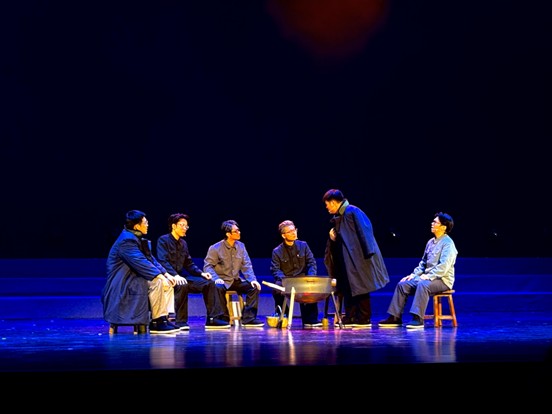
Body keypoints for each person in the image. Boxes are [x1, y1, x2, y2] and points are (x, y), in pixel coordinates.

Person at [102, 210, 180, 334]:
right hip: (123, 282)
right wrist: (160, 276)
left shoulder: (135, 238)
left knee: (168, 282)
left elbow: (150, 259)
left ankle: (164, 318)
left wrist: (166, 274)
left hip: (133, 278)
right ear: (137, 226)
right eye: (145, 222)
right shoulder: (126, 241)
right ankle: (157, 321)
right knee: (158, 282)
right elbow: (140, 262)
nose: (148, 225)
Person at [378, 212, 458, 329]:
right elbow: (423, 264)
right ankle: (395, 317)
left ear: (443, 227)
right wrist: (413, 275)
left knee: (423, 284)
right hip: (427, 278)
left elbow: (443, 266)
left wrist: (428, 276)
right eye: (433, 221)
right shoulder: (430, 242)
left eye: (435, 222)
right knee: (403, 284)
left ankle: (417, 318)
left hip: (442, 280)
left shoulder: (448, 244)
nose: (432, 224)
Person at [323, 189, 389, 327]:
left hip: (359, 258)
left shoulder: (352, 211)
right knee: (348, 287)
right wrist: (333, 239)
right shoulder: (340, 216)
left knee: (361, 286)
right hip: (347, 259)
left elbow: (365, 231)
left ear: (333, 202)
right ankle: (351, 316)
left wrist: (368, 253)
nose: (327, 207)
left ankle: (364, 318)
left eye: (327, 204)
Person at [156, 213, 231, 330]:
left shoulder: (183, 243)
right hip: (168, 277)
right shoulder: (163, 240)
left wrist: (201, 273)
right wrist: (175, 275)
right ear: (174, 226)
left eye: (186, 226)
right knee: (182, 284)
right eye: (182, 225)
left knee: (210, 283)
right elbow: (163, 261)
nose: (185, 228)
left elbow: (189, 264)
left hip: (182, 276)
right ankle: (181, 322)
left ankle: (212, 319)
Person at [203, 219, 264, 327]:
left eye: (238, 230)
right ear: (228, 234)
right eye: (236, 231)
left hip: (235, 280)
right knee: (217, 287)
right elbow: (208, 266)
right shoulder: (215, 248)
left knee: (254, 287)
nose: (239, 232)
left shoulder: (241, 246)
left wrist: (252, 280)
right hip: (221, 280)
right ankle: (222, 318)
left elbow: (246, 265)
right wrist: (216, 278)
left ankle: (249, 318)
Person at [270, 220, 322, 328]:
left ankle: (310, 319)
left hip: (302, 279)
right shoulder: (277, 251)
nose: (294, 233)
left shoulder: (303, 245)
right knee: (277, 288)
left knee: (311, 285)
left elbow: (311, 263)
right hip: (287, 279)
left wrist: (310, 276)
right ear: (283, 235)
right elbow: (275, 270)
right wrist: (285, 280)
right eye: (290, 231)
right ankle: (284, 315)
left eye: (294, 230)